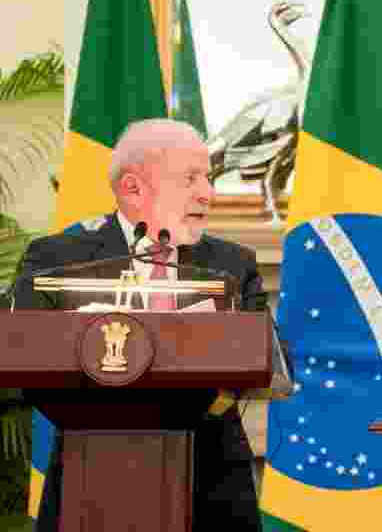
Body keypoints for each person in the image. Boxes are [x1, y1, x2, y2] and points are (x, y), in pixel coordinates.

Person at [11, 118, 265, 531]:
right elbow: (17, 348)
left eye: (209, 177)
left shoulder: (232, 264)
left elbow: (273, 358)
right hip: (89, 473)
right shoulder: (58, 259)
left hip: (212, 481)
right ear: (133, 188)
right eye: (191, 178)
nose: (208, 192)